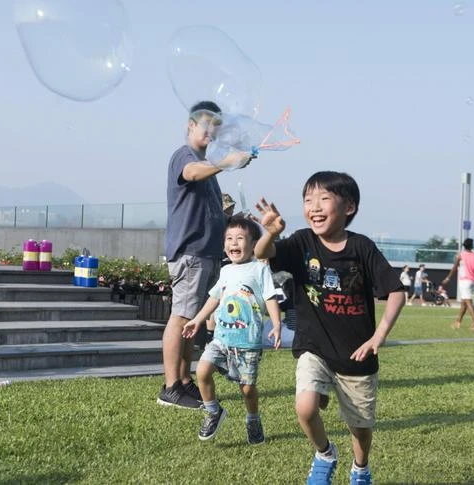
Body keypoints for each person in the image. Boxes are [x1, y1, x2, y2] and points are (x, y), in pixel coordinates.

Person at [254, 171, 405, 485]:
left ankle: (360, 467)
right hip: (315, 347)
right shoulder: (301, 242)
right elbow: (263, 254)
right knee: (306, 408)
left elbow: (396, 291)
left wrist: (379, 336)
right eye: (308, 200)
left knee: (360, 429)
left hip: (356, 357)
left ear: (348, 207)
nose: (314, 207)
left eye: (324, 198)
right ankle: (324, 453)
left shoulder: (361, 248)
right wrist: (269, 234)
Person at [159, 101, 252, 409]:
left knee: (191, 322)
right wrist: (227, 161)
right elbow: (190, 172)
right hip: (191, 253)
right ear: (190, 127)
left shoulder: (209, 168)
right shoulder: (184, 156)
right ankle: (170, 386)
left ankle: (184, 381)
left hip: (207, 254)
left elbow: (212, 211)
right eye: (206, 124)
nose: (211, 131)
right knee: (181, 316)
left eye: (216, 126)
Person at [182, 217, 281, 444]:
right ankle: (213, 411)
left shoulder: (259, 268)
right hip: (221, 339)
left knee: (247, 389)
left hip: (247, 342)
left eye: (240, 238)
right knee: (203, 371)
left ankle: (253, 419)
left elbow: (270, 297)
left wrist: (276, 323)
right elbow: (214, 297)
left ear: (254, 244)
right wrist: (197, 320)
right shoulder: (226, 270)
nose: (233, 243)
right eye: (229, 238)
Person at [442, 238, 474, 330]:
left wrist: (448, 278)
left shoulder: (461, 255)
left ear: (464, 246)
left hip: (464, 281)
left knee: (468, 302)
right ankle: (458, 322)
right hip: (473, 281)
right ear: (472, 245)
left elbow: (454, 268)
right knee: (464, 303)